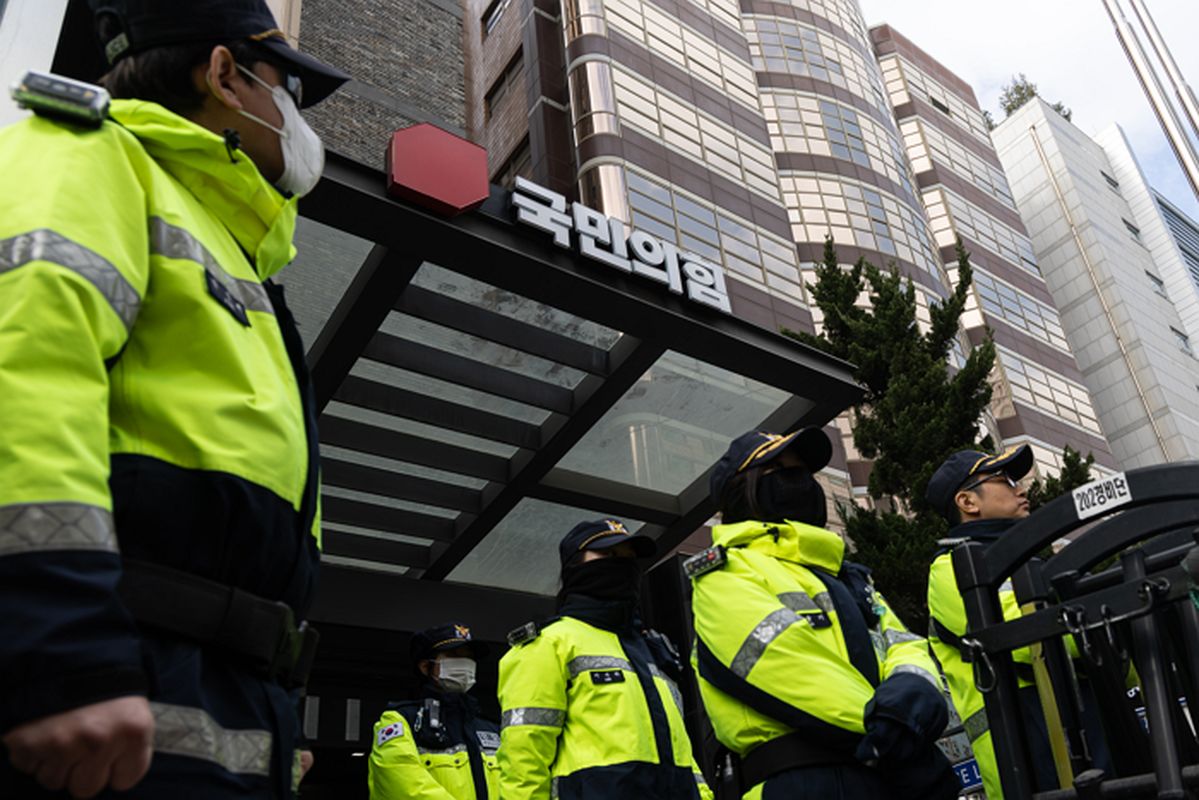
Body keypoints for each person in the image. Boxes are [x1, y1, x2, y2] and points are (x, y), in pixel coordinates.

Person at [0, 1, 348, 797]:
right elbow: (23, 367)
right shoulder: (89, 152)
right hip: (108, 675)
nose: (296, 119)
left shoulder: (225, 239)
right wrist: (55, 639)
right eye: (288, 89)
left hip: (209, 693)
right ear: (224, 75)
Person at [690, 429, 960, 800]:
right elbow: (787, 667)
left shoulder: (849, 578)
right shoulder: (725, 573)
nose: (798, 479)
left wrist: (909, 705)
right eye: (779, 471)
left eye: (802, 470)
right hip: (799, 781)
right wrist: (895, 732)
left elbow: (906, 647)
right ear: (741, 490)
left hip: (887, 772)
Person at [497, 518, 713, 799]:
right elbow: (523, 761)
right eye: (608, 554)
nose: (621, 565)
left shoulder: (652, 650)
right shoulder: (549, 644)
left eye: (628, 558)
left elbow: (682, 750)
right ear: (575, 566)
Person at [925, 445, 1061, 798]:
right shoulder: (951, 569)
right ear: (967, 502)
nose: (1022, 489)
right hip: (1023, 744)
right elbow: (1026, 636)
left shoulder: (1029, 560)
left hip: (1073, 721)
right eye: (1006, 480)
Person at [369, 623, 500, 799]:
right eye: (454, 655)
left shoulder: (491, 728)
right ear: (425, 667)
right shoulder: (400, 721)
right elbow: (404, 787)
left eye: (469, 657)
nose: (465, 663)